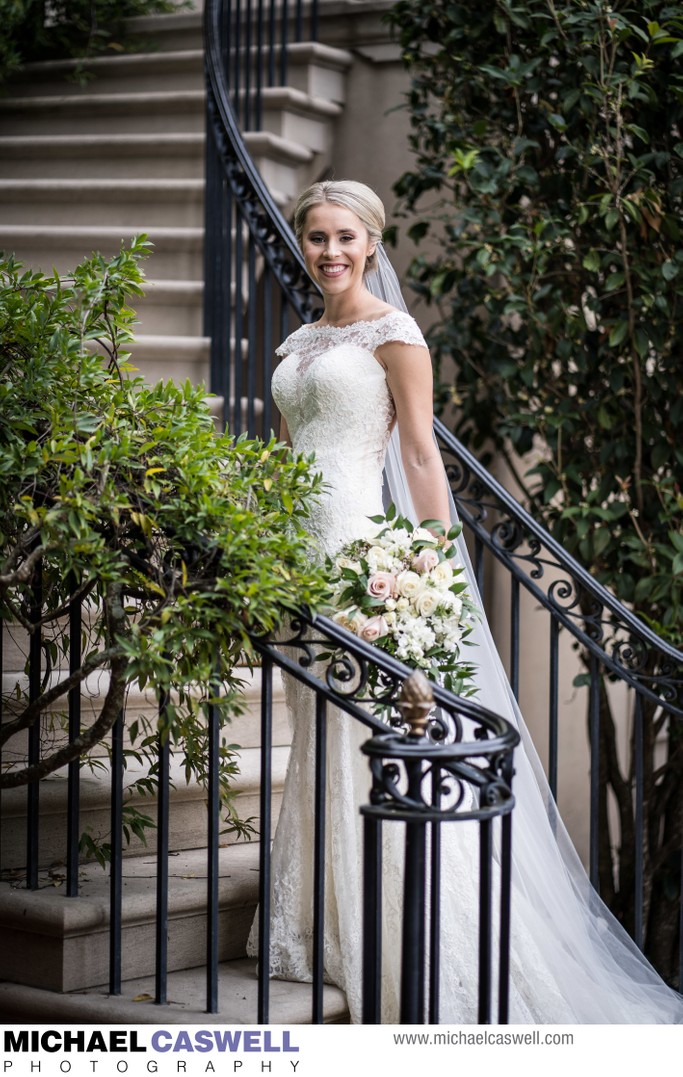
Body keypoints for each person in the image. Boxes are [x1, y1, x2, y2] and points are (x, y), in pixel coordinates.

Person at [247, 179, 683, 1023]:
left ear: (371, 242)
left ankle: (405, 933)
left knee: (368, 731)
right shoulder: (299, 338)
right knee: (318, 727)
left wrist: (432, 564)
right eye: (314, 238)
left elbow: (417, 456)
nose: (328, 252)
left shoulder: (395, 334)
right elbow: (285, 451)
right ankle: (324, 910)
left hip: (357, 550)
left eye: (344, 237)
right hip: (294, 557)